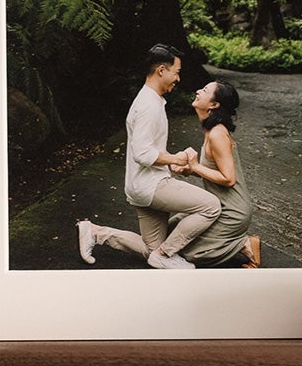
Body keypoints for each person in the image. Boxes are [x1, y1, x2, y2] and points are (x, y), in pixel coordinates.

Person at [74, 44, 220, 269]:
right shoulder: (148, 106)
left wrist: (171, 165)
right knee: (210, 206)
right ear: (162, 70)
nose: (178, 79)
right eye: (176, 72)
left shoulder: (151, 100)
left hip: (140, 184)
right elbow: (142, 154)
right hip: (151, 186)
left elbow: (147, 149)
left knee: (151, 250)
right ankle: (166, 253)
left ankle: (95, 233)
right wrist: (176, 159)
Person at [168, 79, 261, 268]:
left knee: (190, 254)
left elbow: (228, 178)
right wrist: (189, 171)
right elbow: (215, 170)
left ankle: (245, 244)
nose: (197, 90)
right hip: (220, 206)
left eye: (204, 90)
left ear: (214, 104)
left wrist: (194, 166)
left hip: (232, 212)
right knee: (172, 230)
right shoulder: (211, 130)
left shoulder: (217, 134)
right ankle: (234, 242)